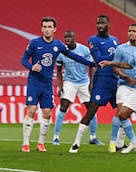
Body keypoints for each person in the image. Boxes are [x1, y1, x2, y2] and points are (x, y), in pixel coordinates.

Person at [20, 16, 95, 153]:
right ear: (41, 28)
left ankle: (41, 143)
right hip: (34, 82)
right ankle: (25, 143)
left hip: (47, 84)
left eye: (49, 27)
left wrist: (91, 63)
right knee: (31, 110)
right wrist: (31, 67)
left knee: (47, 113)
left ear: (54, 29)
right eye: (44, 27)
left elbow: (73, 56)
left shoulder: (58, 45)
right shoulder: (34, 43)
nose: (47, 30)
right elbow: (23, 59)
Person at [69, 14, 119, 154]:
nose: (99, 26)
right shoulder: (93, 40)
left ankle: (119, 143)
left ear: (108, 24)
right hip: (102, 80)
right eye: (97, 23)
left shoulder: (115, 40)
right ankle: (76, 143)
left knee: (123, 112)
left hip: (115, 79)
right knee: (91, 111)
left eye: (102, 23)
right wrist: (116, 56)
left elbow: (116, 60)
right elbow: (98, 59)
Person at [108, 24, 136, 153]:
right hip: (124, 85)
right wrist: (127, 77)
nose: (131, 33)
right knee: (121, 112)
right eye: (129, 31)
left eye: (134, 31)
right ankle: (113, 143)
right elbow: (115, 66)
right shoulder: (121, 48)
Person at [52, 30, 103, 146]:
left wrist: (91, 83)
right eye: (66, 37)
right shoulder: (62, 52)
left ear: (74, 38)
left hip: (84, 82)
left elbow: (91, 66)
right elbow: (59, 71)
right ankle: (56, 137)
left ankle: (93, 137)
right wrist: (60, 86)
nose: (67, 39)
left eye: (70, 36)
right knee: (63, 106)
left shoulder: (84, 50)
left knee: (91, 109)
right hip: (70, 82)